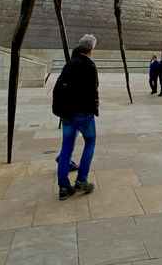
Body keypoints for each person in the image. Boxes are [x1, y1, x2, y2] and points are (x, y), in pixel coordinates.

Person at [56, 34, 99, 200]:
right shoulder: (90, 65)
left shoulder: (70, 64)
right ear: (91, 49)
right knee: (90, 142)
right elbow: (93, 91)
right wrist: (94, 109)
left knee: (66, 148)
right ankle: (81, 180)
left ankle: (63, 187)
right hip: (84, 114)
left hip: (67, 114)